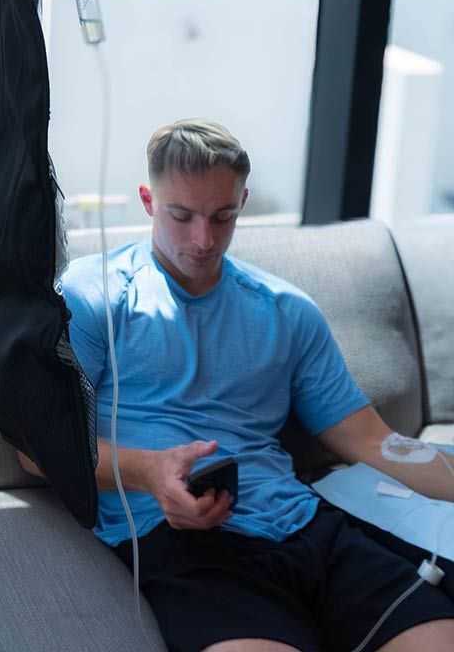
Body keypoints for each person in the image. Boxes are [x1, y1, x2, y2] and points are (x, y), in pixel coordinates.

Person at [56, 119, 454, 652]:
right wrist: (150, 472)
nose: (204, 239)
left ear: (243, 200)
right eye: (182, 216)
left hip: (306, 525)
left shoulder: (286, 310)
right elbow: (42, 451)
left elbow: (374, 441)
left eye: (223, 216)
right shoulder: (92, 296)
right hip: (182, 544)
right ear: (149, 201)